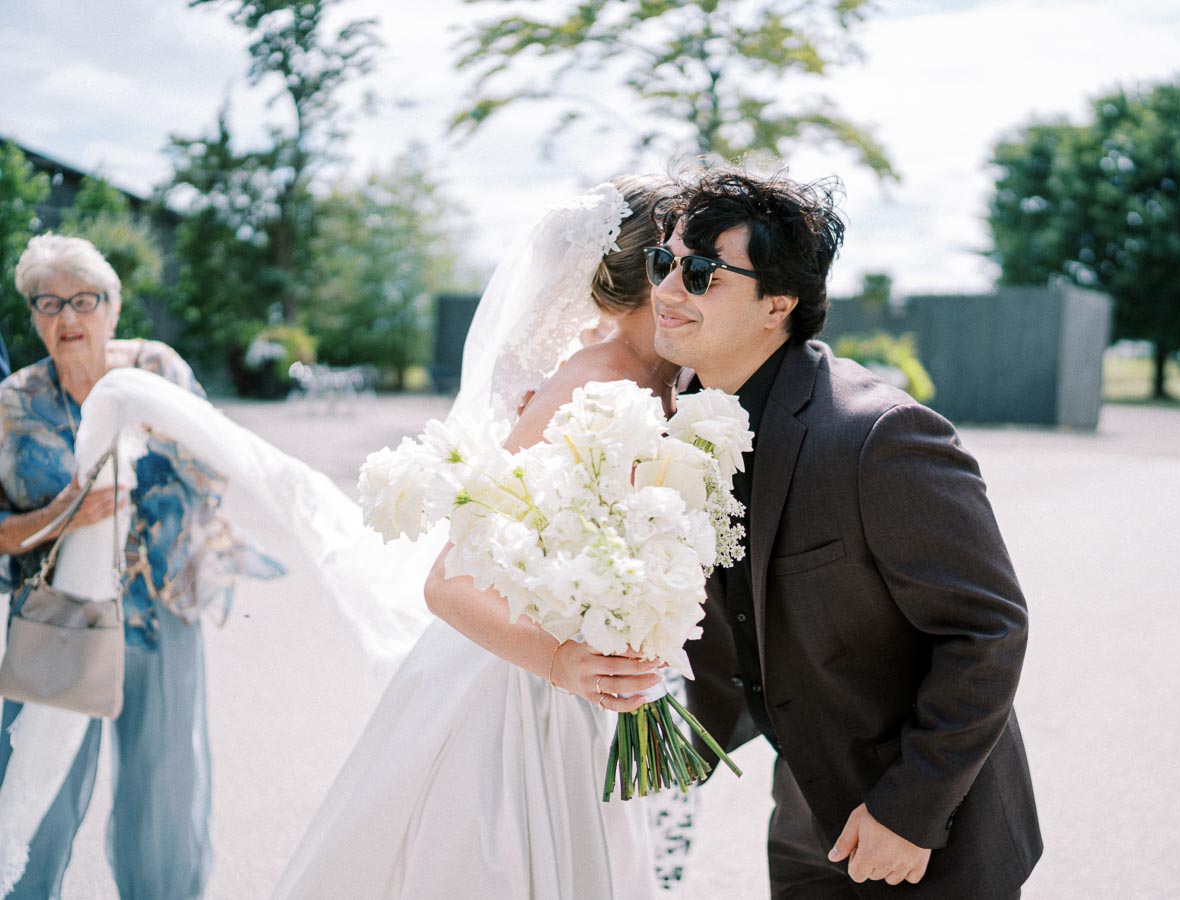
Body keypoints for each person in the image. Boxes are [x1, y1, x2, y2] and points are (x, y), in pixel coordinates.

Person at [274, 177, 687, 900]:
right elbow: (447, 579)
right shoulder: (586, 387)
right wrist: (563, 663)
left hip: (612, 689)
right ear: (655, 277)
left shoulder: (687, 388)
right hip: (525, 694)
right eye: (690, 263)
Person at [649, 169, 1042, 898]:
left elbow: (987, 630)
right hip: (803, 814)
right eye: (663, 262)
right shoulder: (669, 424)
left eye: (702, 272)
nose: (669, 290)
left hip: (928, 830)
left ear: (778, 302)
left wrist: (910, 811)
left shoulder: (878, 438)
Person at [0, 234, 282, 899]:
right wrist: (63, 511)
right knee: (41, 800)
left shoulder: (158, 370)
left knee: (162, 800)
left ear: (114, 307)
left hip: (158, 613)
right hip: (58, 624)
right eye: (48, 303)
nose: (68, 318)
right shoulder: (12, 406)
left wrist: (160, 446)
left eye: (84, 300)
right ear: (33, 315)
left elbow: (216, 473)